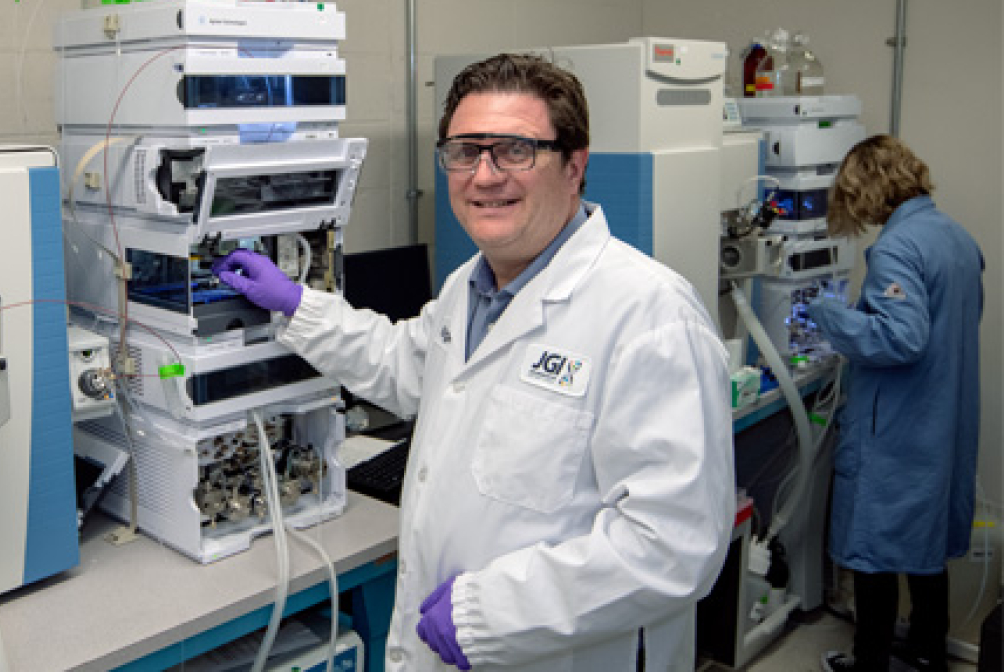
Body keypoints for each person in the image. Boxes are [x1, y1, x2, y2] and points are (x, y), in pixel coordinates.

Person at [213, 53, 735, 671]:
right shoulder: (471, 285)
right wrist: (298, 305)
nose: (484, 175)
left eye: (515, 150)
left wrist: (491, 612)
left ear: (575, 164)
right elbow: (406, 366)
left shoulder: (648, 315)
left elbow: (674, 545)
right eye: (464, 151)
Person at [811, 135, 984, 672]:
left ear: (867, 187)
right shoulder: (956, 238)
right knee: (923, 545)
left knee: (877, 553)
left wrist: (829, 314)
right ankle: (930, 651)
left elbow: (901, 338)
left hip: (898, 432)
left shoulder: (895, 249)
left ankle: (870, 664)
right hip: (942, 420)